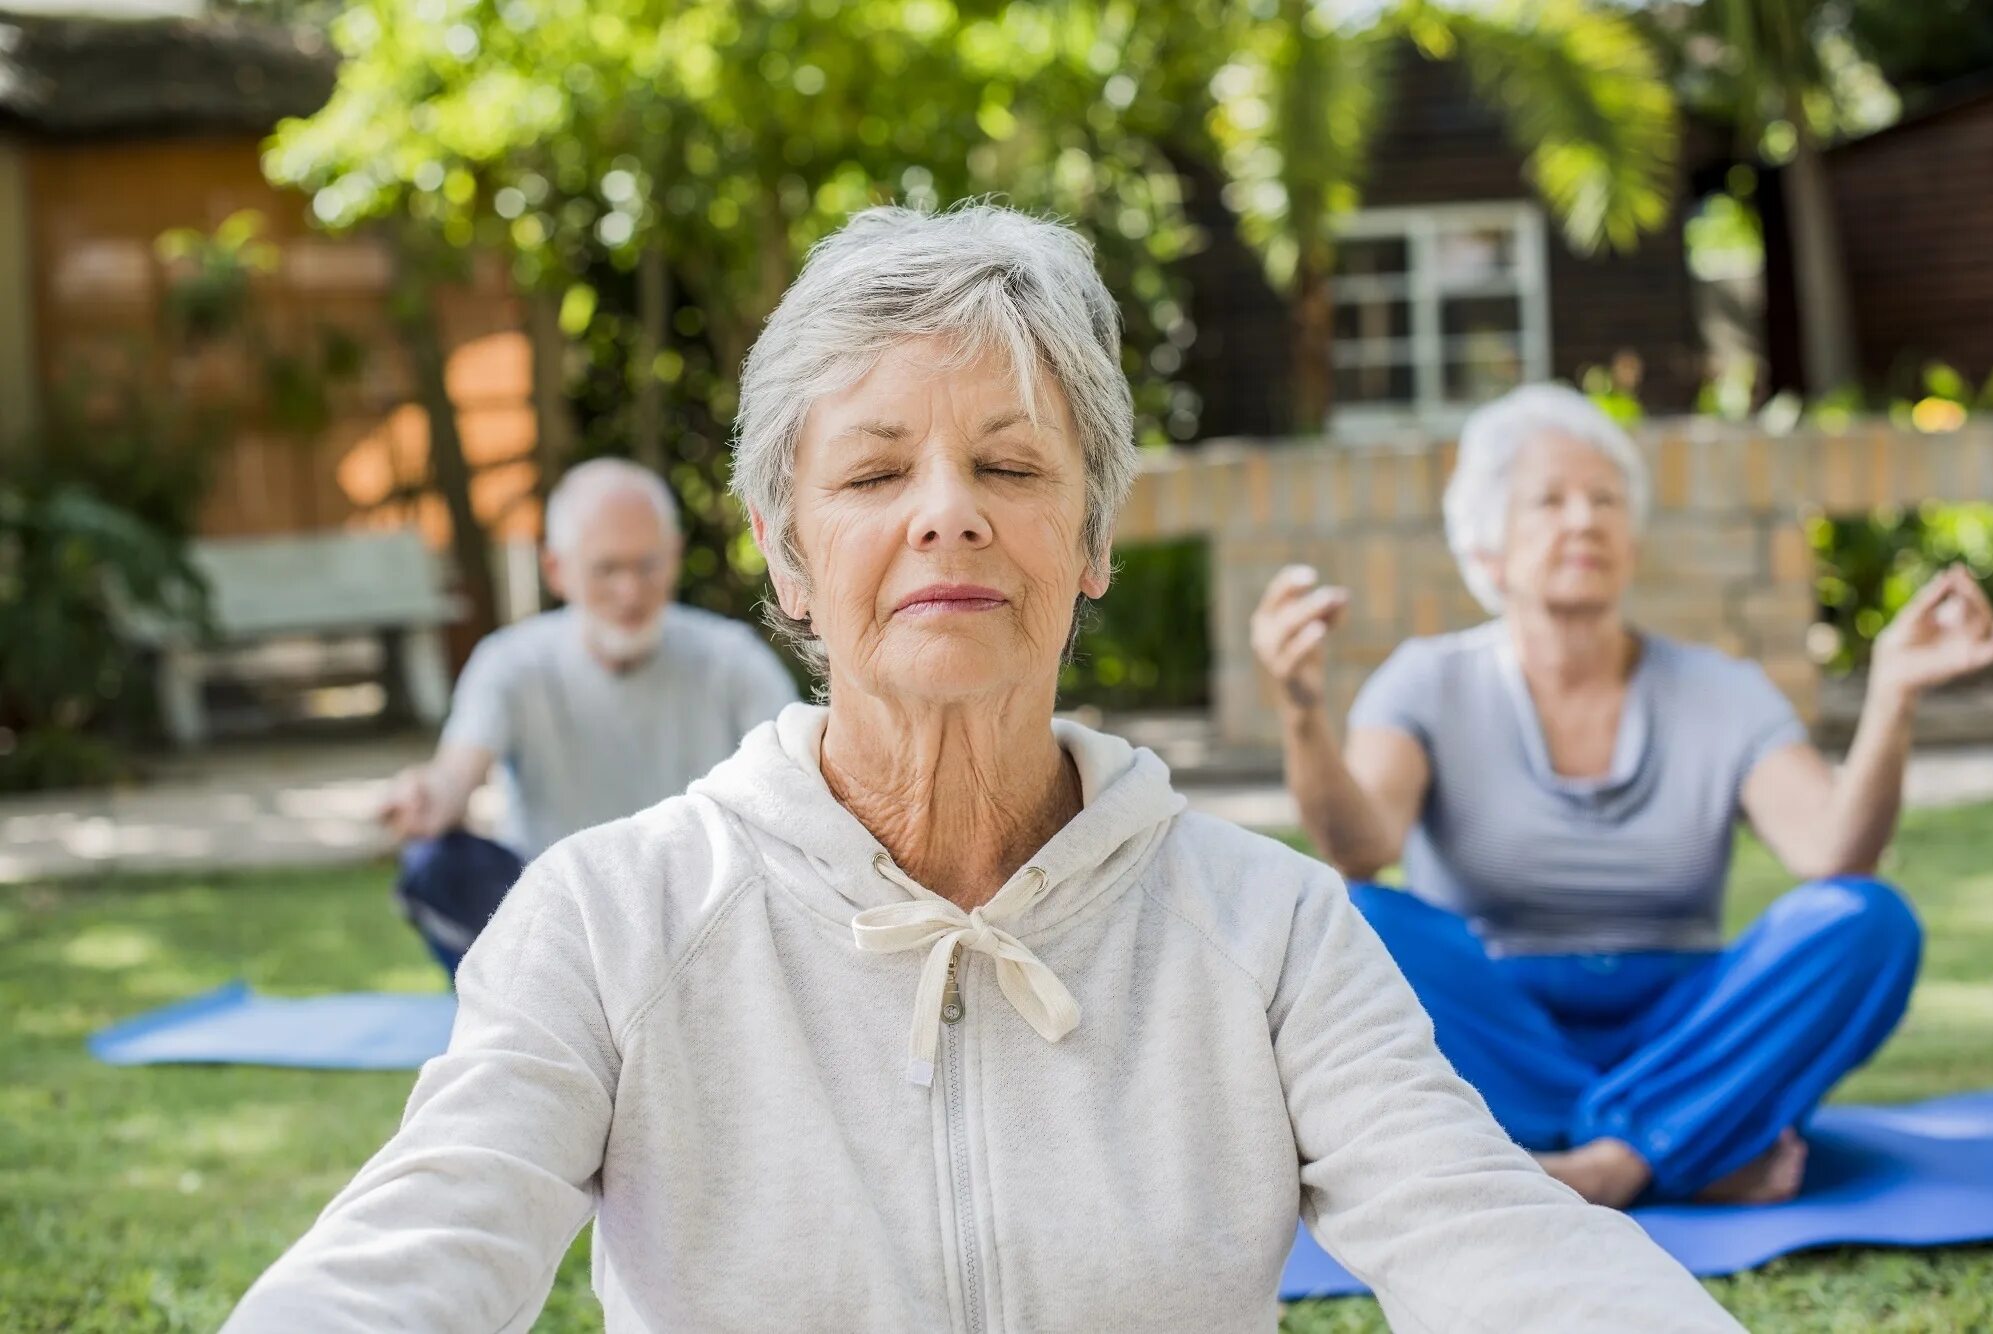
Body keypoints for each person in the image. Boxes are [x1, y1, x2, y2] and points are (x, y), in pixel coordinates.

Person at [226, 206, 1741, 1333]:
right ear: (788, 553)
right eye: (876, 472)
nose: (946, 512)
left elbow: (1500, 1247)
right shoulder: (607, 916)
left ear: (1087, 545)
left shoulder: (1269, 929)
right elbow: (416, 1253)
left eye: (1011, 468)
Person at [1252, 382, 1993, 1209]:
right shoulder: (1426, 683)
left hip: (1686, 1026)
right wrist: (1300, 708)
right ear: (1487, 547)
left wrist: (1893, 696)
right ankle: (1689, 1148)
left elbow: (1834, 854)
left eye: (1606, 499)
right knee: (1358, 916)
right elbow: (1361, 848)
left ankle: (1595, 1167)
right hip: (1503, 1032)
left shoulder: (1724, 690)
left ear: (1633, 542)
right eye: (1550, 501)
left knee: (1868, 921)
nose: (1584, 520)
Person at [378, 458, 798, 976]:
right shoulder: (510, 661)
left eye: (648, 565)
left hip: (700, 913)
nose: (631, 592)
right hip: (554, 920)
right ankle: (515, 1008)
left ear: (674, 556)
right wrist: (426, 798)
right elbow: (454, 778)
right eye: (607, 569)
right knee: (433, 866)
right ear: (557, 569)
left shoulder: (732, 660)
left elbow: (796, 790)